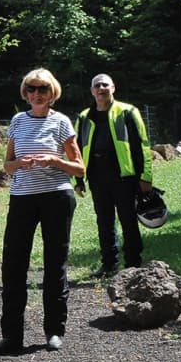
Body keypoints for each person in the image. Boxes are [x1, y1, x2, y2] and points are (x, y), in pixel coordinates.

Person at [0, 69, 86, 355]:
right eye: (31, 88)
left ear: (52, 91)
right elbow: (7, 165)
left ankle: (54, 330)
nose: (37, 93)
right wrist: (20, 164)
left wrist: (53, 160)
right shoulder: (18, 121)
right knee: (13, 265)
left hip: (57, 196)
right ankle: (12, 336)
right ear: (25, 92)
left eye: (42, 88)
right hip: (22, 198)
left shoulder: (61, 122)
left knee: (55, 263)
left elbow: (79, 167)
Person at [75, 74, 153, 277]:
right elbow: (76, 150)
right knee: (104, 221)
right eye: (97, 85)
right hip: (96, 177)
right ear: (92, 91)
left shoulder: (128, 112)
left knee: (128, 220)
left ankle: (133, 264)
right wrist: (78, 179)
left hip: (124, 177)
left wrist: (145, 176)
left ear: (113, 88)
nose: (101, 88)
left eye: (105, 85)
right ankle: (109, 264)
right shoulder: (84, 117)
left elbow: (142, 145)